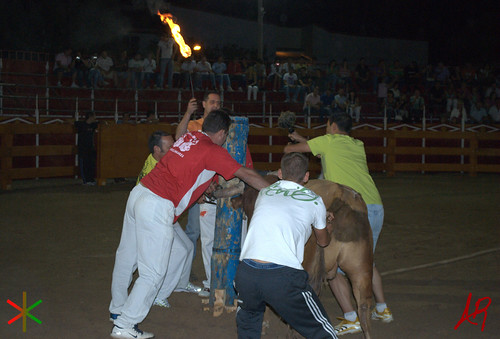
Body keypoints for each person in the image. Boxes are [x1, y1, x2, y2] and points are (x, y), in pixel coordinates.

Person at [109, 110, 270, 339]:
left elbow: (191, 168)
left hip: (139, 193)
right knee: (153, 271)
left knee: (127, 257)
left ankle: (117, 311)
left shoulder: (188, 137)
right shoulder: (213, 151)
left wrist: (204, 187)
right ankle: (125, 324)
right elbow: (245, 173)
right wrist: (275, 190)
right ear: (222, 133)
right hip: (158, 205)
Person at [285, 112, 393, 336]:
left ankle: (351, 316)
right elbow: (321, 147)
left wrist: (291, 143)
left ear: (332, 126)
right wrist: (296, 135)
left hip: (349, 209)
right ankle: (382, 309)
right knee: (366, 262)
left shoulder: (328, 141)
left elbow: (293, 151)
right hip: (373, 204)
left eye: (326, 125)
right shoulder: (357, 144)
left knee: (333, 267)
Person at [235, 152, 336, 339]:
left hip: (246, 272)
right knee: (322, 332)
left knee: (249, 325)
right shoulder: (314, 200)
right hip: (282, 276)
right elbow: (323, 241)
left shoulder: (265, 193)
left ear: (280, 173)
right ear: (306, 177)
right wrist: (327, 227)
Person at [125, 131, 201, 309]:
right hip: (153, 215)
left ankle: (180, 285)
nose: (175, 150)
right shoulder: (155, 168)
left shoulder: (158, 161)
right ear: (157, 149)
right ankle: (159, 294)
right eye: (170, 148)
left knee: (188, 247)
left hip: (161, 212)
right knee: (177, 252)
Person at [75, 111, 98, 185]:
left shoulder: (93, 125)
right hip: (83, 148)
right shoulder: (81, 125)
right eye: (94, 116)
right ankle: (86, 180)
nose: (95, 118)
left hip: (90, 148)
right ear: (91, 117)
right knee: (84, 164)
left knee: (90, 164)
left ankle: (90, 179)